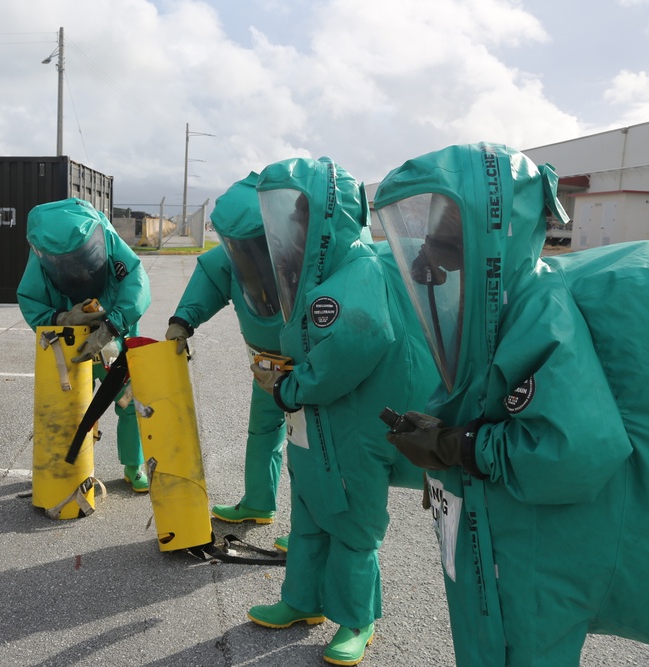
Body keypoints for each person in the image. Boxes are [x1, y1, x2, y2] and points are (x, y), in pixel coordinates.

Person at [375, 141, 649, 666]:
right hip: (506, 532)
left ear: (488, 230)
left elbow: (578, 450)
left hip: (535, 548)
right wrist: (450, 438)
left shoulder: (535, 309)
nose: (434, 250)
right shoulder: (502, 302)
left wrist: (462, 446)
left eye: (448, 230)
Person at [245, 157, 437, 666]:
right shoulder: (323, 272)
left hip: (352, 427)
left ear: (332, 218)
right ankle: (301, 601)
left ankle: (357, 620)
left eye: (302, 213)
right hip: (317, 423)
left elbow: (358, 341)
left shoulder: (359, 270)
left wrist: (292, 387)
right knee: (309, 513)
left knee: (353, 524)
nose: (291, 224)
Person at [165, 172, 287, 527]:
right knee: (264, 432)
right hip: (267, 363)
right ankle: (259, 502)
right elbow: (212, 276)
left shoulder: (310, 252)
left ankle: (317, 533)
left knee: (316, 447)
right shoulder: (235, 255)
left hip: (313, 366)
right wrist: (183, 320)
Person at [17, 197, 151, 491]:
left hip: (118, 339)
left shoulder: (111, 243)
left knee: (130, 402)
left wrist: (111, 326)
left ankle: (133, 465)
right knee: (71, 407)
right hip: (71, 346)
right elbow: (31, 301)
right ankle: (76, 468)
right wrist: (62, 318)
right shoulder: (40, 263)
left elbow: (137, 283)